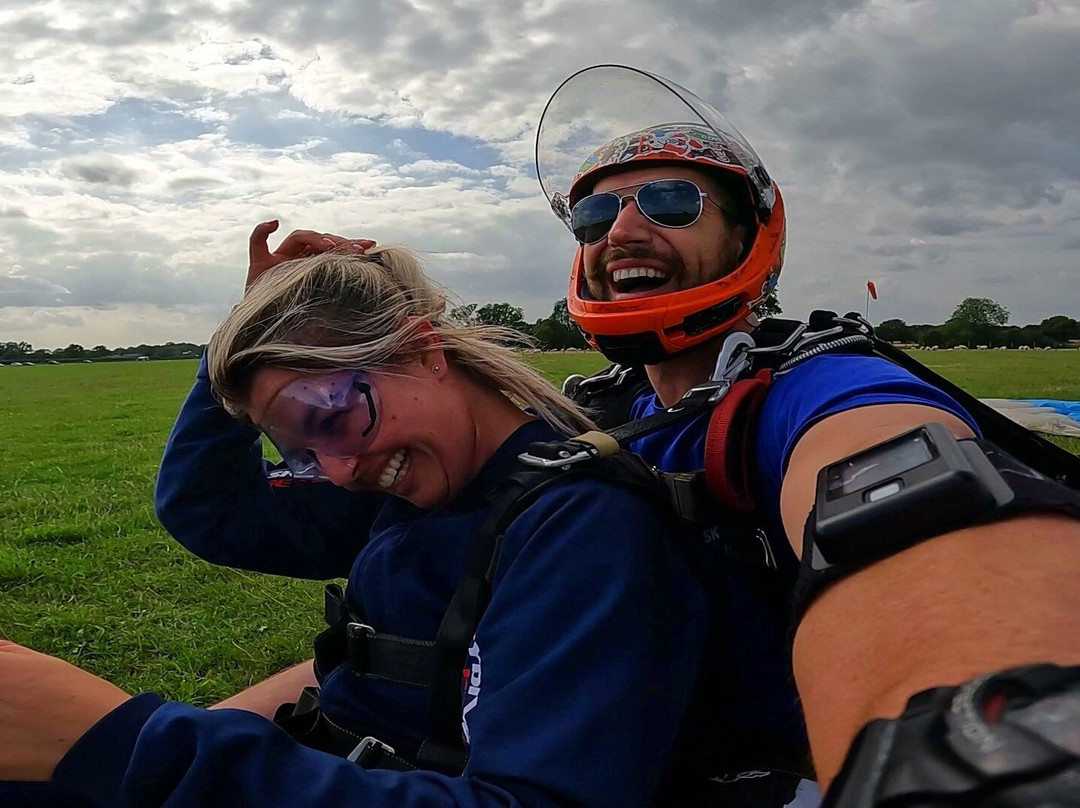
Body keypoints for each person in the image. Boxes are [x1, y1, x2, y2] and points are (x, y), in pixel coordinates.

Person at [535, 64, 1080, 803]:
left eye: (672, 202)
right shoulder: (590, 408)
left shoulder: (812, 387)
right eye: (594, 217)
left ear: (747, 235)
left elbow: (910, 490)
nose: (623, 231)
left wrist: (997, 748)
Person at [0, 246, 709, 807]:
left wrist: (134, 745)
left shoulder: (579, 524)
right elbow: (212, 510)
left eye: (332, 416)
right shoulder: (411, 485)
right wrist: (240, 335)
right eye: (303, 452)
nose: (337, 470)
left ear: (422, 348)